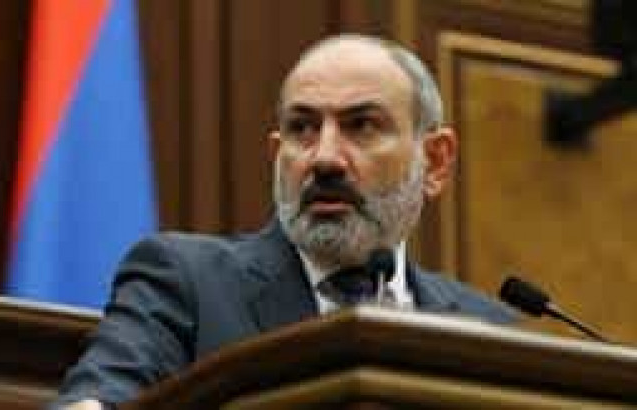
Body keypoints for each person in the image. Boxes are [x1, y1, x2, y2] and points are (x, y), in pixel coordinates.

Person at [52, 33, 516, 409]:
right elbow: (103, 391)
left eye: (361, 126)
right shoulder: (186, 282)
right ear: (278, 155)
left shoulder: (487, 330)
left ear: (435, 161)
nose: (325, 158)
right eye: (302, 129)